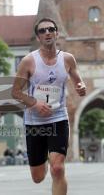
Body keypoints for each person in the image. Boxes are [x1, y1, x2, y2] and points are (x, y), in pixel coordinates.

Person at [12, 17, 86, 195]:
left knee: (58, 169)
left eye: (51, 29)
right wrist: (35, 103)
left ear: (57, 33)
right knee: (37, 177)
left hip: (58, 118)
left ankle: (53, 161)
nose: (47, 33)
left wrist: (81, 86)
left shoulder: (68, 59)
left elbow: (78, 80)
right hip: (34, 123)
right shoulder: (29, 61)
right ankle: (44, 159)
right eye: (42, 30)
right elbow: (15, 92)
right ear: (38, 37)